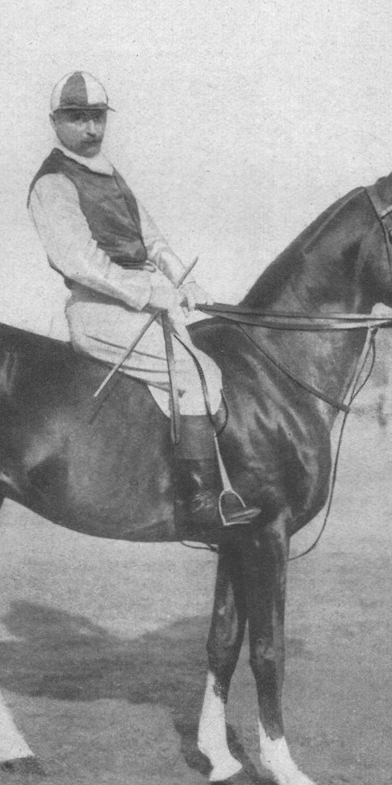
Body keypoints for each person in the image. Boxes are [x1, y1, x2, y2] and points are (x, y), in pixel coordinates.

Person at [28, 70, 260, 535]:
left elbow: (151, 241)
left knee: (208, 368)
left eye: (97, 118)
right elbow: (81, 262)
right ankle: (200, 501)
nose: (91, 128)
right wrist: (148, 291)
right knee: (191, 374)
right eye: (78, 118)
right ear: (55, 122)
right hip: (98, 311)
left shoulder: (111, 176)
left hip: (140, 307)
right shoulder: (52, 183)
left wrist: (185, 281)